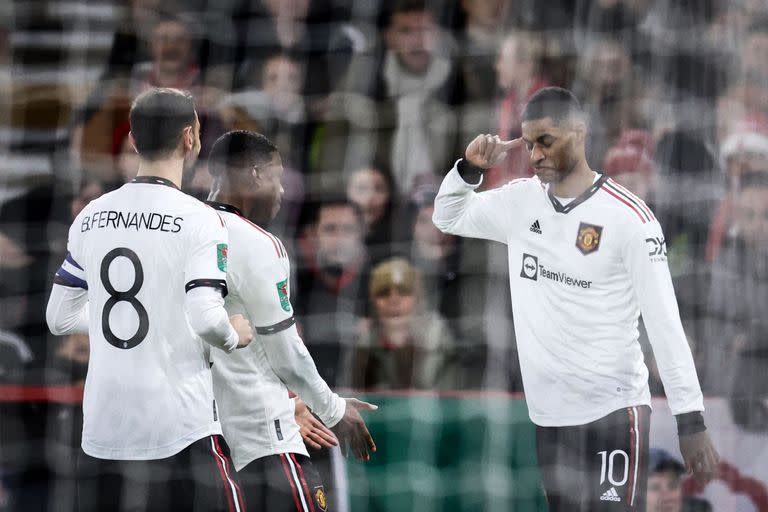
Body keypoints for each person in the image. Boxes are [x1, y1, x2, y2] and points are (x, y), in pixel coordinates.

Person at [432, 87, 719, 511]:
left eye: (545, 141)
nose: (534, 155)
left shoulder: (630, 219)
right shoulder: (520, 201)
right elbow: (447, 215)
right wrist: (468, 169)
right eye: (528, 144)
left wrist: (690, 418)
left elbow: (664, 323)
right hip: (549, 418)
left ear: (580, 133)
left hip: (614, 412)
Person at [45, 88, 253, 511]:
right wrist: (234, 334)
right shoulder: (201, 218)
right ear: (190, 138)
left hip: (103, 434)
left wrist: (118, 315)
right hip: (178, 429)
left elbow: (59, 319)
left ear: (134, 141)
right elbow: (207, 319)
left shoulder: (91, 215)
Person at [204, 130, 377, 510]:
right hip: (263, 437)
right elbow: (286, 353)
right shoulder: (257, 242)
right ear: (254, 174)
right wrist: (333, 410)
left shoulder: (187, 232)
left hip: (206, 445)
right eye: (277, 177)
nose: (282, 191)